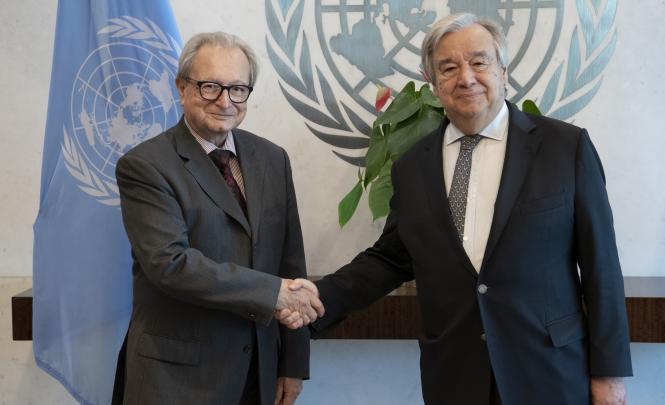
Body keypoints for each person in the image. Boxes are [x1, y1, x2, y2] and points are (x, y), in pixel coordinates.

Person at [280, 13, 632, 405]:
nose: (466, 78)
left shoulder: (566, 148)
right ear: (432, 82)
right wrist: (317, 299)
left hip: (549, 373)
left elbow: (602, 267)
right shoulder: (412, 167)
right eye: (449, 67)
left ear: (503, 70)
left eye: (479, 62)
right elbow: (392, 259)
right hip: (455, 376)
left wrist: (609, 376)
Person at [114, 32, 323, 405]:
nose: (225, 101)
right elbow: (170, 264)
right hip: (176, 381)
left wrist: (292, 362)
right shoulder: (145, 166)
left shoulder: (272, 159)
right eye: (210, 86)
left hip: (258, 374)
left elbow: (291, 263)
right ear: (182, 88)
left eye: (238, 88)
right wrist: (272, 293)